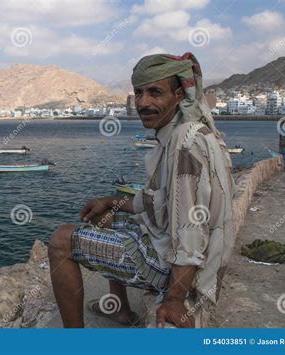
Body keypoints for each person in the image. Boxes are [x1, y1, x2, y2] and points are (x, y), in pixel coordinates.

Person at [48, 52, 234, 328]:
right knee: (104, 216)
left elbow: (192, 232)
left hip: (174, 266)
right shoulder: (178, 132)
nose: (144, 103)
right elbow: (155, 200)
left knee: (61, 240)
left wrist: (173, 298)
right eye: (139, 93)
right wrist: (108, 201)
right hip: (168, 242)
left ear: (179, 95)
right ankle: (119, 307)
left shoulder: (185, 144)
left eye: (155, 92)